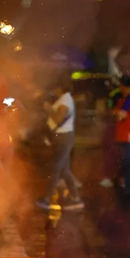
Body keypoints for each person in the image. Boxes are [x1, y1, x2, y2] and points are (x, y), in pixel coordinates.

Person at [36, 75, 84, 210]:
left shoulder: (66, 101)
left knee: (56, 169)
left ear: (60, 88)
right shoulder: (64, 99)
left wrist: (48, 108)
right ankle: (76, 199)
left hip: (63, 138)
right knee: (64, 170)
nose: (53, 91)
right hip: (62, 137)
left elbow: (58, 119)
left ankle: (46, 199)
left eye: (55, 88)